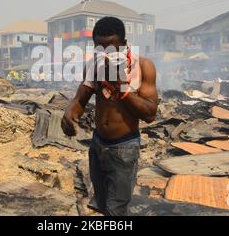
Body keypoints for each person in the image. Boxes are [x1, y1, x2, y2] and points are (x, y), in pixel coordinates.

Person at [61, 17, 158, 216]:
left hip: (124, 147)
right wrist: (70, 114)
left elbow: (150, 114)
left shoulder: (143, 67)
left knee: (117, 210)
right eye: (99, 48)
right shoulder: (93, 66)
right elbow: (80, 100)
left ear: (123, 44)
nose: (105, 54)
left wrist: (121, 88)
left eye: (111, 48)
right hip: (97, 145)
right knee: (103, 205)